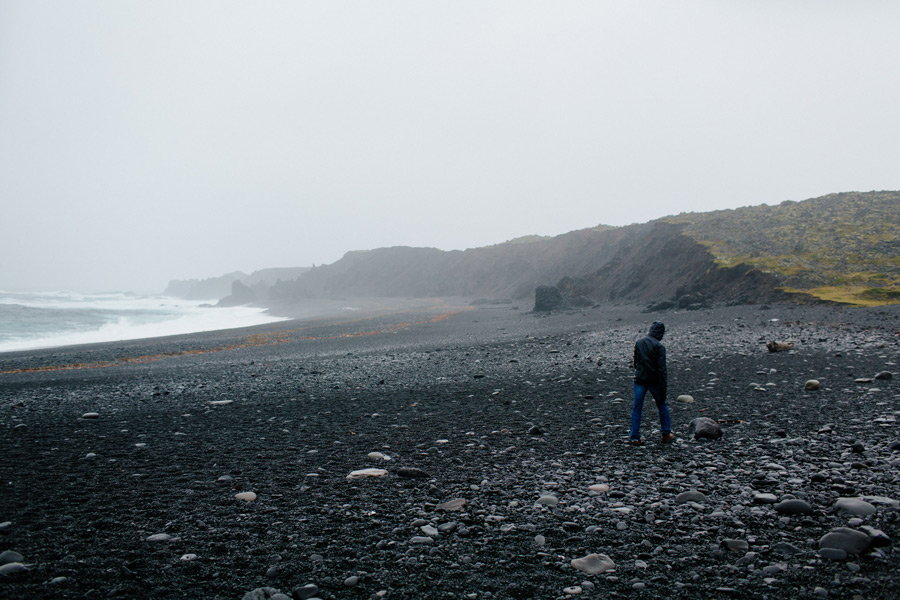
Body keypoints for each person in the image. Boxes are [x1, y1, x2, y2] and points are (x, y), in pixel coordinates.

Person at [629, 321, 674, 445]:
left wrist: (639, 371)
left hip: (640, 379)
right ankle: (666, 433)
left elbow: (636, 360)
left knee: (637, 407)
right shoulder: (659, 346)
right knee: (662, 405)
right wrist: (663, 384)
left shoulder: (640, 342)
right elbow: (661, 368)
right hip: (654, 381)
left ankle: (634, 436)